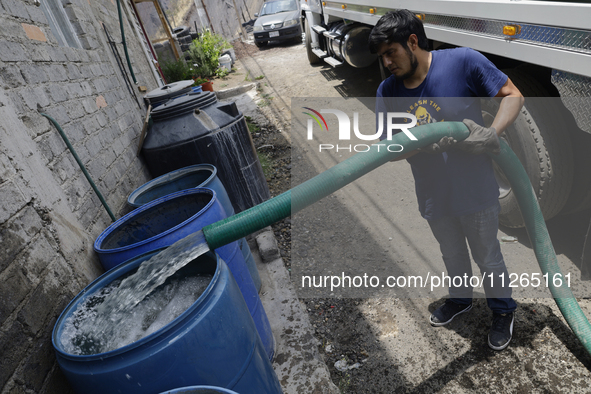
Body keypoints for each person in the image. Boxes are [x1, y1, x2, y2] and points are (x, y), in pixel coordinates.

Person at [369, 10, 524, 351]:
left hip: (476, 190)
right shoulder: (388, 90)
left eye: (390, 53)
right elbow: (386, 148)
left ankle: (502, 310)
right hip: (434, 195)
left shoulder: (462, 62)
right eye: (382, 57)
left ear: (412, 42)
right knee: (451, 253)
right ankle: (461, 299)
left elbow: (513, 95)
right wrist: (417, 142)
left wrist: (491, 133)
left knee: (488, 257)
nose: (387, 63)